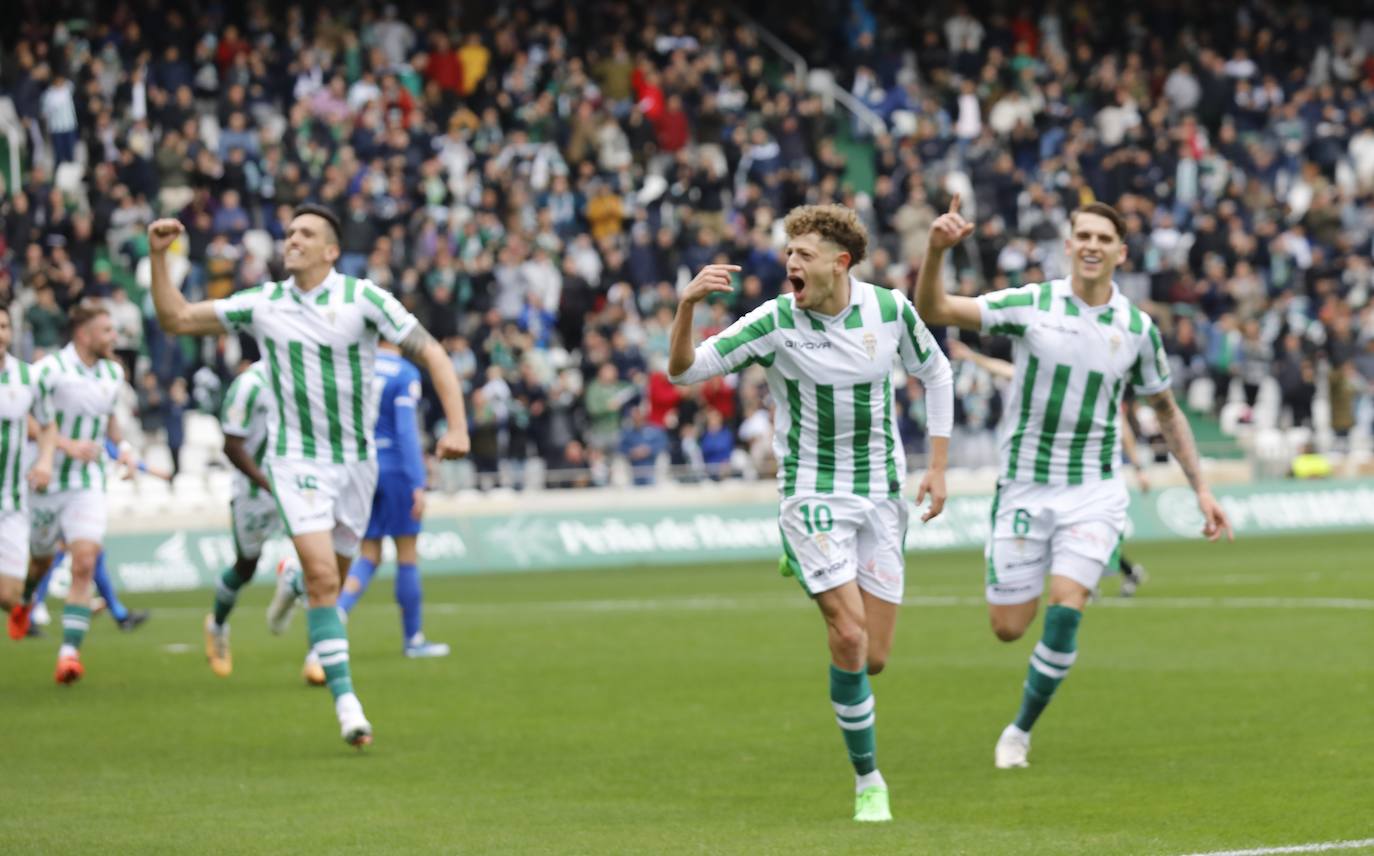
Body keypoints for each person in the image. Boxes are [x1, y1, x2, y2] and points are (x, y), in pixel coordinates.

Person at [914, 197, 1233, 769]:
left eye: (1103, 239)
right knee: (1008, 628)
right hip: (1024, 490)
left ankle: (1019, 731)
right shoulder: (1030, 304)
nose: (1091, 245)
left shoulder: (1136, 328)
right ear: (1068, 244)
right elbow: (933, 306)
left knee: (1066, 607)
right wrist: (936, 251)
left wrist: (1201, 489)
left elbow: (1165, 411)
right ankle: (1033, 592)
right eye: (1082, 235)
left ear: (1121, 252)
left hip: (1094, 491)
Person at [668, 204, 954, 823]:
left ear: (839, 263)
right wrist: (687, 306)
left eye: (802, 255)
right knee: (848, 637)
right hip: (811, 492)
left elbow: (936, 371)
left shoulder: (891, 311)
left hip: (880, 493)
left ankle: (805, 565)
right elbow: (686, 371)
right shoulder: (774, 320)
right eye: (788, 253)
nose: (789, 263)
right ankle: (868, 779)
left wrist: (938, 463)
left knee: (874, 656)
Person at [146, 204, 470, 748]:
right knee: (325, 581)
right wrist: (158, 258)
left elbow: (433, 353)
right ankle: (348, 706)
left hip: (357, 465)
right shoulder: (264, 303)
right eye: (290, 231)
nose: (292, 239)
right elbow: (176, 317)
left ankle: (291, 585)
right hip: (296, 463)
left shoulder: (363, 298)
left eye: (306, 233)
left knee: (331, 579)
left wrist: (457, 425)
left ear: (330, 250)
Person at [949, 340, 1151, 596]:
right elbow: (1006, 370)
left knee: (1091, 534)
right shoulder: (1047, 382)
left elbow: (1124, 431)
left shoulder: (1098, 387)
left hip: (1092, 476)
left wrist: (1139, 468)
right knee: (1065, 534)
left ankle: (1108, 576)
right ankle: (1095, 579)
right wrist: (972, 356)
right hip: (1057, 474)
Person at [12, 300, 140, 683]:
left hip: (87, 482)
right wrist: (65, 447)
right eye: (106, 331)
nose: (113, 337)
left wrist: (126, 450)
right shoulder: (49, 370)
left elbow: (109, 418)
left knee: (85, 559)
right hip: (47, 480)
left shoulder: (112, 373)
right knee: (40, 560)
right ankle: (25, 600)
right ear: (84, 335)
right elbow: (28, 417)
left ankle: (69, 655)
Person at [331, 340, 449, 657]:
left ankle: (336, 615)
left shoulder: (357, 369)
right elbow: (406, 430)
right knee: (407, 553)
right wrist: (418, 481)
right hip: (396, 469)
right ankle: (414, 640)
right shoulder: (404, 372)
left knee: (369, 553)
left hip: (362, 468)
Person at [202, 360, 280, 678]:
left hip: (302, 487)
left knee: (320, 562)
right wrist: (265, 482)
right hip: (255, 493)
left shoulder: (309, 368)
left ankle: (320, 653)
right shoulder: (249, 386)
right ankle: (217, 625)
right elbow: (231, 446)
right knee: (245, 567)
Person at [0, 303, 57, 637]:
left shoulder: (27, 377)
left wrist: (46, 460)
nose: (0, 334)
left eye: (4, 326)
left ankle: (27, 611)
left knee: (9, 595)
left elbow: (48, 426)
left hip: (11, 500)